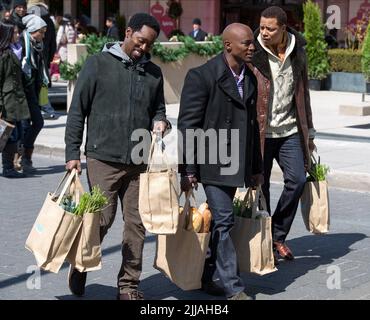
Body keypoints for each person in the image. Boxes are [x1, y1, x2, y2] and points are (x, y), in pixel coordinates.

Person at [64, 13, 170, 300]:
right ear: (128, 32)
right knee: (101, 219)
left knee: (136, 225)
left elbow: (158, 109)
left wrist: (161, 121)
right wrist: (72, 152)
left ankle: (128, 286)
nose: (144, 48)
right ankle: (81, 263)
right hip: (103, 158)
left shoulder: (154, 73)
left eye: (149, 44)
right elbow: (77, 112)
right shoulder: (97, 65)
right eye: (140, 41)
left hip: (139, 163)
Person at [178, 23, 263, 300]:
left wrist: (256, 168)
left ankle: (204, 276)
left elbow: (252, 129)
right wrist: (188, 169)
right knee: (225, 220)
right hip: (211, 160)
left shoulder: (249, 78)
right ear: (228, 45)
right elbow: (188, 126)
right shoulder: (202, 76)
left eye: (253, 43)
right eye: (247, 43)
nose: (252, 48)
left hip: (237, 162)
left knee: (220, 222)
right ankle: (233, 288)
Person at [251, 6, 316, 263]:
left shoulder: (297, 51)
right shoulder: (252, 51)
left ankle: (278, 235)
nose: (263, 32)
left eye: (270, 28)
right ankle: (264, 242)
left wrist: (309, 134)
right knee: (261, 187)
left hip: (289, 130)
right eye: (261, 27)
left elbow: (304, 95)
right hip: (261, 132)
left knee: (298, 180)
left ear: (284, 29)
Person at [0, 21, 30, 178]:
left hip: (16, 100)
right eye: (15, 33)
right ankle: (7, 168)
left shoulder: (15, 51)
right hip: (7, 101)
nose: (18, 35)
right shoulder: (4, 55)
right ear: (7, 34)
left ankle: (10, 166)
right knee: (10, 135)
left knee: (16, 134)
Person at [20, 14, 49, 173]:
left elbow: (39, 69)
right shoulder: (22, 45)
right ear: (32, 31)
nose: (43, 35)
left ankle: (23, 156)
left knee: (37, 123)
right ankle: (23, 159)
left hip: (34, 91)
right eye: (41, 32)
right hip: (22, 92)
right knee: (26, 125)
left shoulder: (38, 46)